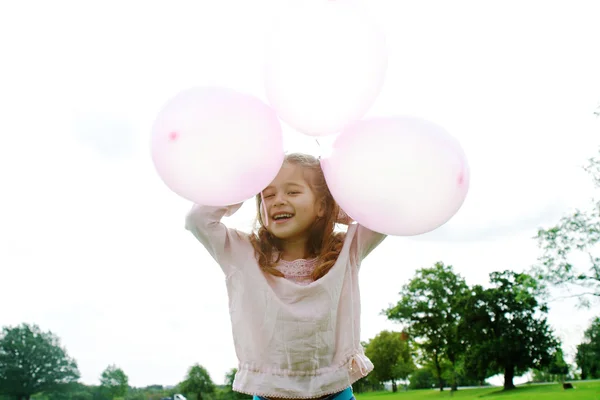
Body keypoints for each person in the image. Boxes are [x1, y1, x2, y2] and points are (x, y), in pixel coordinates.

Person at [185, 153, 386, 400]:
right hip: (270, 396)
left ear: (322, 205)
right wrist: (246, 184)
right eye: (268, 195)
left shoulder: (348, 248)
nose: (278, 201)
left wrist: (339, 203)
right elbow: (198, 220)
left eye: (292, 192)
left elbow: (384, 214)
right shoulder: (242, 253)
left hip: (335, 394)